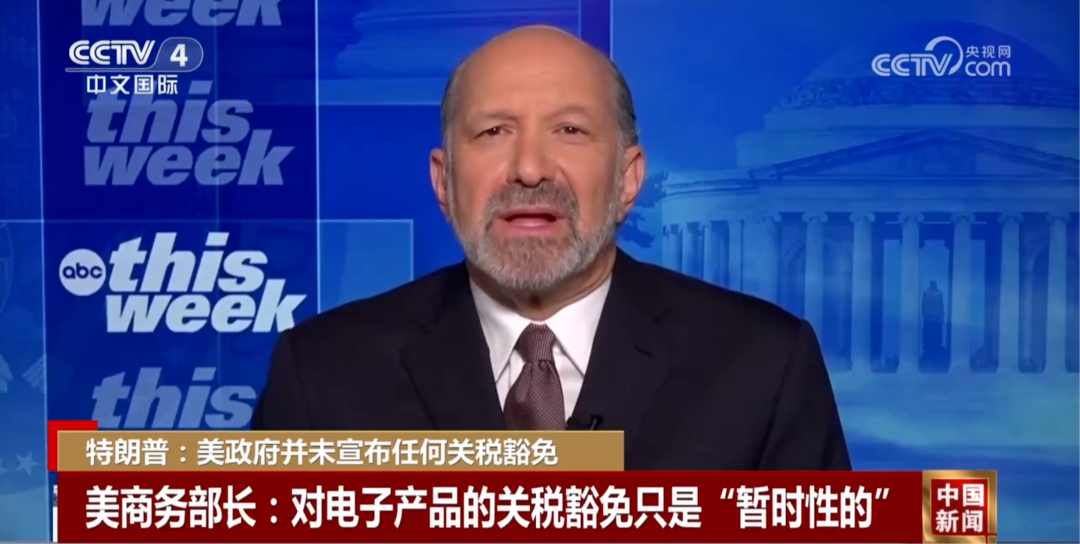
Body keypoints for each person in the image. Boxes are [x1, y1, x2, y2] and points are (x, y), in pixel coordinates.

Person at [252, 25, 851, 470]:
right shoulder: (321, 373)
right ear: (443, 181)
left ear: (627, 180)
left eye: (570, 130)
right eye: (493, 131)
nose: (530, 168)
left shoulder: (763, 366)